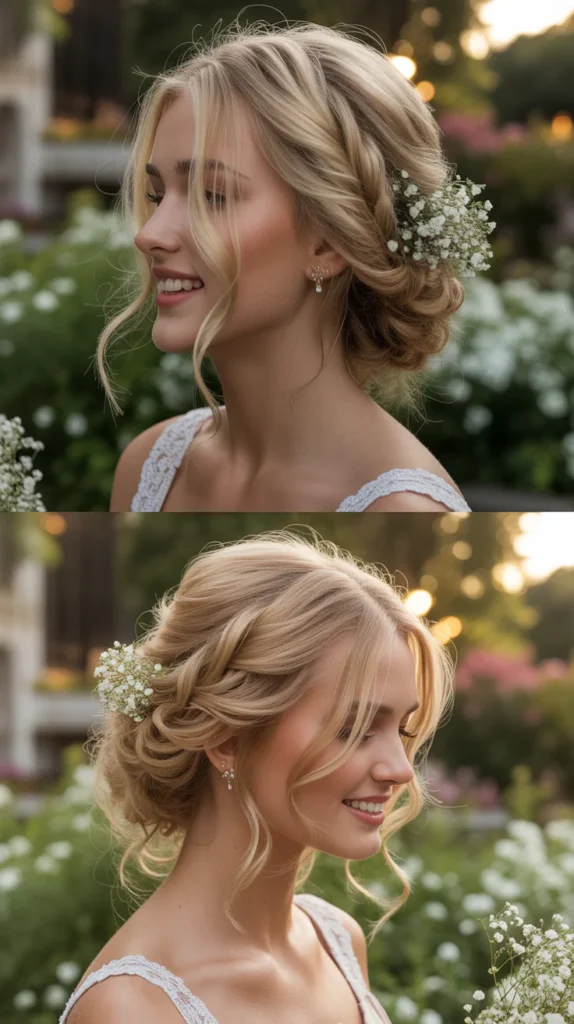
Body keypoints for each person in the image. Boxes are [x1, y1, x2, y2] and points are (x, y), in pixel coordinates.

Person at [59, 530, 455, 1023]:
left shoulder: (339, 942)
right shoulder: (134, 1009)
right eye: (353, 728)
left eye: (401, 728)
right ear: (227, 739)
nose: (400, 769)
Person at [102, 21, 494, 513]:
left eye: (212, 196)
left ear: (329, 242)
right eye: (158, 195)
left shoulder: (400, 510)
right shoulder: (150, 468)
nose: (149, 234)